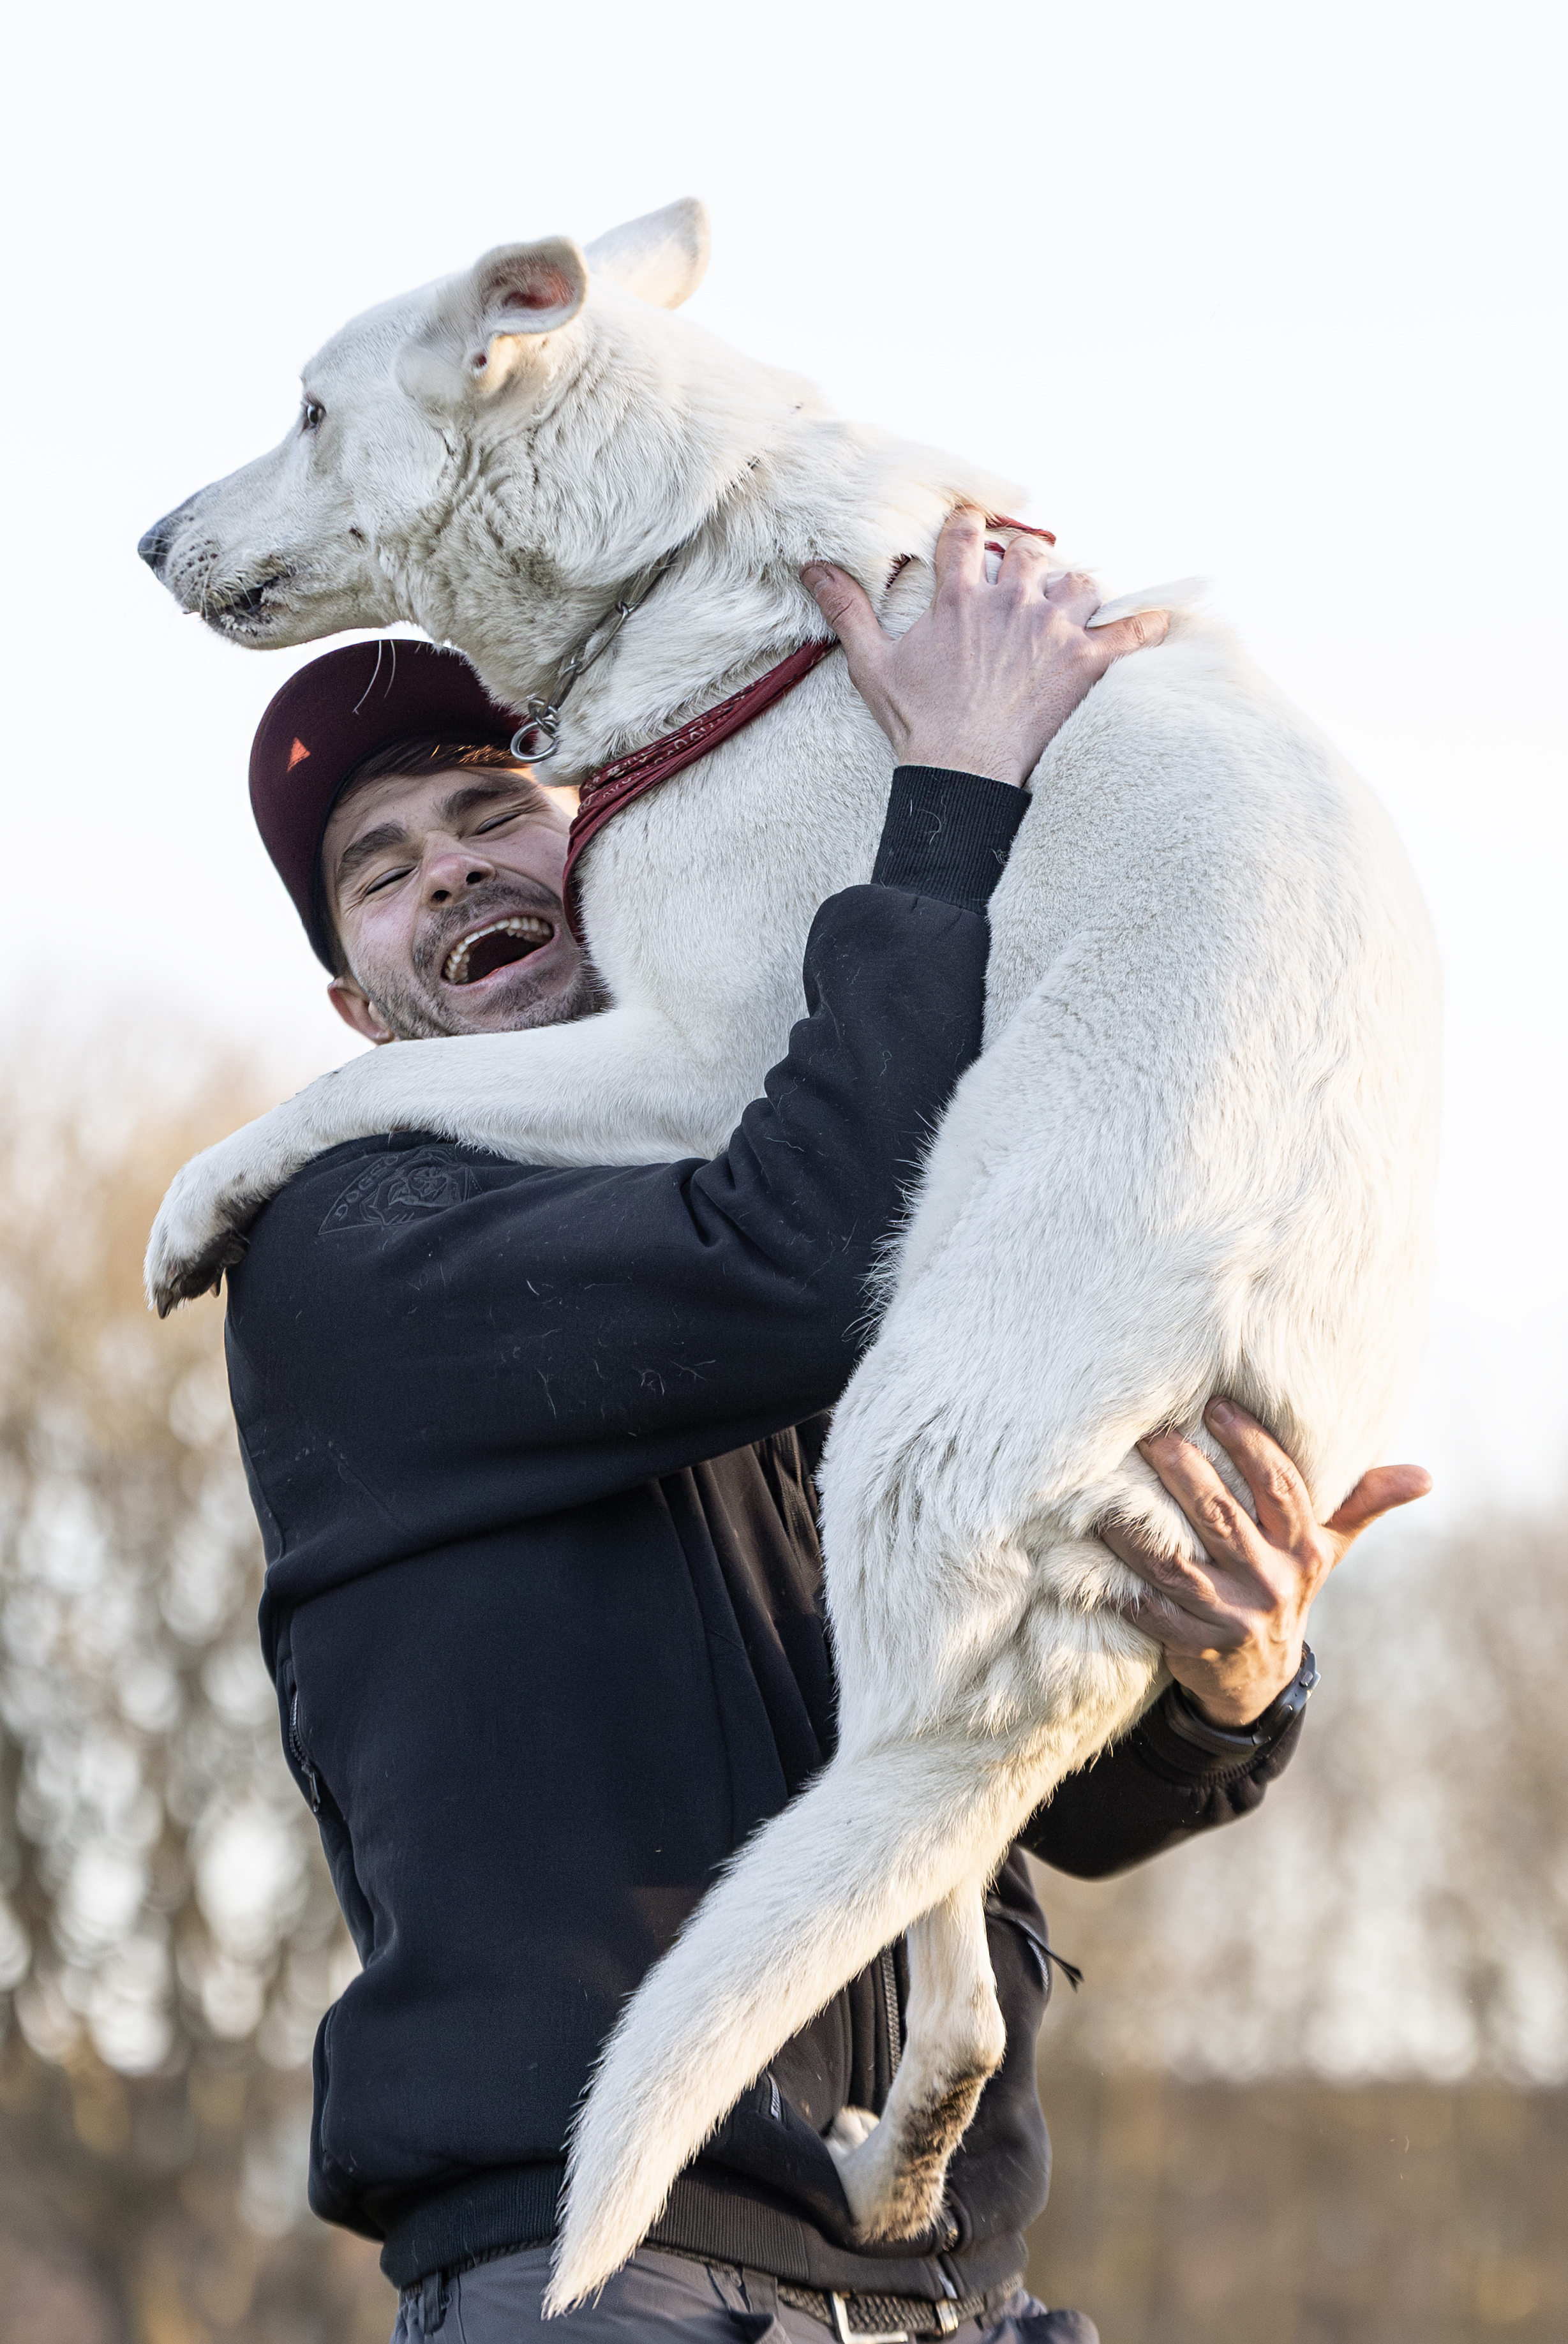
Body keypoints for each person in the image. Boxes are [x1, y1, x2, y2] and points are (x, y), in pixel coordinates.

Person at [220, 514, 1428, 2341]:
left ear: (618, 822)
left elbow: (1052, 1797)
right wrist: (950, 782)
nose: (453, 873)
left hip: (955, 2282)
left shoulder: (877, 1188)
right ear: (355, 1002)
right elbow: (789, 1252)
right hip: (606, 2276)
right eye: (381, 871)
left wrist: (1223, 1681)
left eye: (491, 809)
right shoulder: (358, 1234)